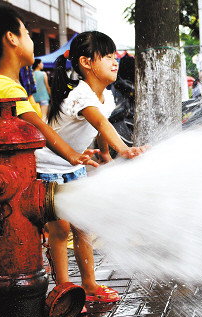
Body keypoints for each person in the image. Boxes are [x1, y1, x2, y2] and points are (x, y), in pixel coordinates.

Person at [0, 5, 101, 314]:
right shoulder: (7, 87)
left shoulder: (0, 81)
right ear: (11, 39)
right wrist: (73, 155)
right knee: (9, 229)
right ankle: (8, 297)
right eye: (26, 33)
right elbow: (42, 128)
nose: (31, 39)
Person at [38, 31, 148, 303]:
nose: (115, 62)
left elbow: (100, 125)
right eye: (108, 57)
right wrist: (123, 149)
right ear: (86, 63)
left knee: (83, 225)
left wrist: (106, 155)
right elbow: (100, 122)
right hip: (49, 167)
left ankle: (89, 285)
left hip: (73, 166)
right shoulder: (80, 94)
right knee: (60, 230)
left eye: (115, 56)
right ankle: (64, 290)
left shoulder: (105, 96)